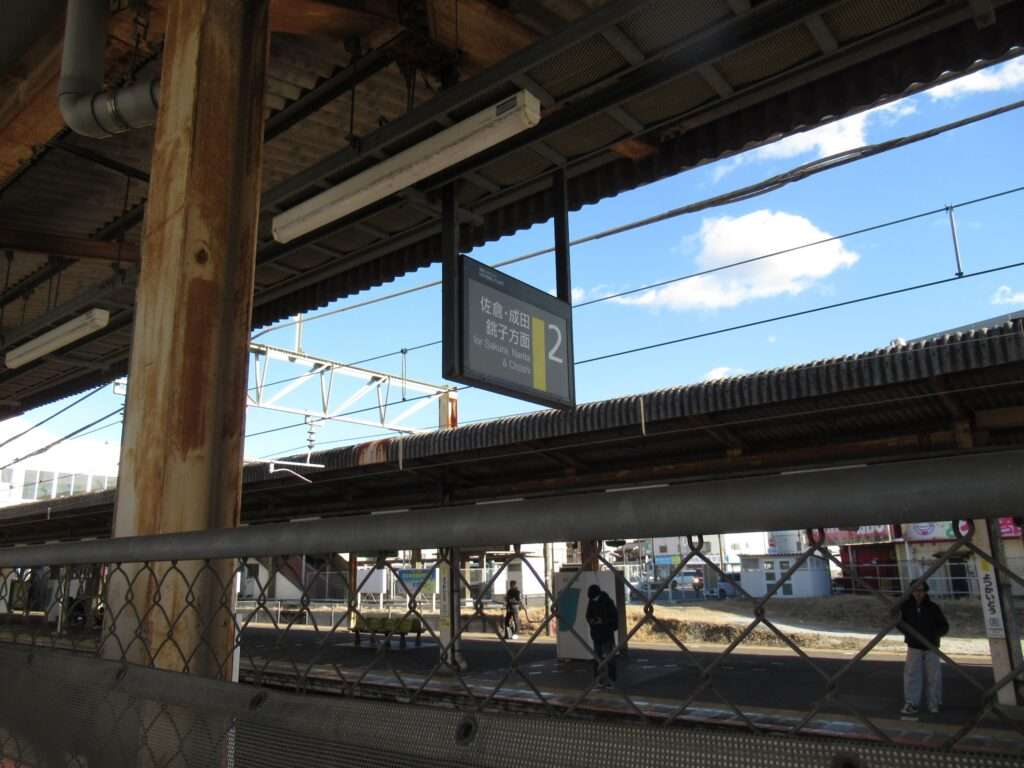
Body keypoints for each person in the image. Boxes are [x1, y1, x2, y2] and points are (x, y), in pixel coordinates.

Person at [900, 581, 949, 715]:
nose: (918, 593)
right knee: (911, 675)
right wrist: (909, 634)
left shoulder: (933, 608)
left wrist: (933, 635)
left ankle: (934, 703)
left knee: (934, 676)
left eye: (921, 590)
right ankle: (911, 703)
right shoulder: (905, 608)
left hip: (931, 646)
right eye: (915, 590)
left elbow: (944, 626)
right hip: (914, 645)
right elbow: (898, 622)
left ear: (925, 591)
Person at [585, 584, 619, 688]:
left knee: (609, 657)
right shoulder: (591, 601)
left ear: (598, 595)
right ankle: (598, 679)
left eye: (594, 597)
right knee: (597, 657)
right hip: (596, 634)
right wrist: (591, 620)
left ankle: (611, 679)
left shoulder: (607, 602)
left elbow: (614, 619)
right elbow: (588, 615)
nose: (593, 599)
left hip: (606, 634)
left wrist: (603, 621)